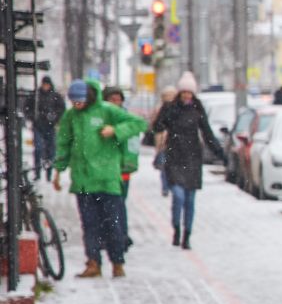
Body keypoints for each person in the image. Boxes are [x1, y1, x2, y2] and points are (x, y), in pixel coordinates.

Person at [53, 80, 146, 278]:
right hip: (83, 181)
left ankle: (117, 263)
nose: (77, 105)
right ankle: (93, 262)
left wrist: (116, 131)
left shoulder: (107, 111)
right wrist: (58, 171)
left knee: (113, 223)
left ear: (89, 97)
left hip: (107, 180)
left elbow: (138, 124)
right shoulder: (71, 117)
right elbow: (64, 143)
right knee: (89, 224)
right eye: (74, 102)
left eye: (80, 101)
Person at [151, 73, 222, 249]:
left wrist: (221, 155)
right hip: (174, 157)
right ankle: (176, 228)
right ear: (180, 92)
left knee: (190, 201)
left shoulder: (197, 109)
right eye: (184, 92)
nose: (186, 96)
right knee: (178, 196)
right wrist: (164, 113)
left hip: (192, 159)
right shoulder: (171, 108)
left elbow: (207, 133)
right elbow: (157, 127)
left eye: (189, 92)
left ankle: (187, 236)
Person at [103, 86, 137, 253]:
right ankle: (111, 236)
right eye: (112, 99)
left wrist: (129, 164)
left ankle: (121, 236)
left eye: (118, 99)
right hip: (103, 170)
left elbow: (132, 146)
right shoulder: (101, 118)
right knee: (107, 205)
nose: (116, 103)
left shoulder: (126, 119)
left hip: (122, 170)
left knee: (119, 204)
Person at [31, 76, 65, 179]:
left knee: (51, 151)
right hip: (38, 126)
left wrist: (55, 116)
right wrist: (34, 117)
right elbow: (27, 107)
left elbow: (61, 109)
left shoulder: (55, 96)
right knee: (38, 149)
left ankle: (49, 173)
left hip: (50, 127)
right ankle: (37, 172)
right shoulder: (36, 95)